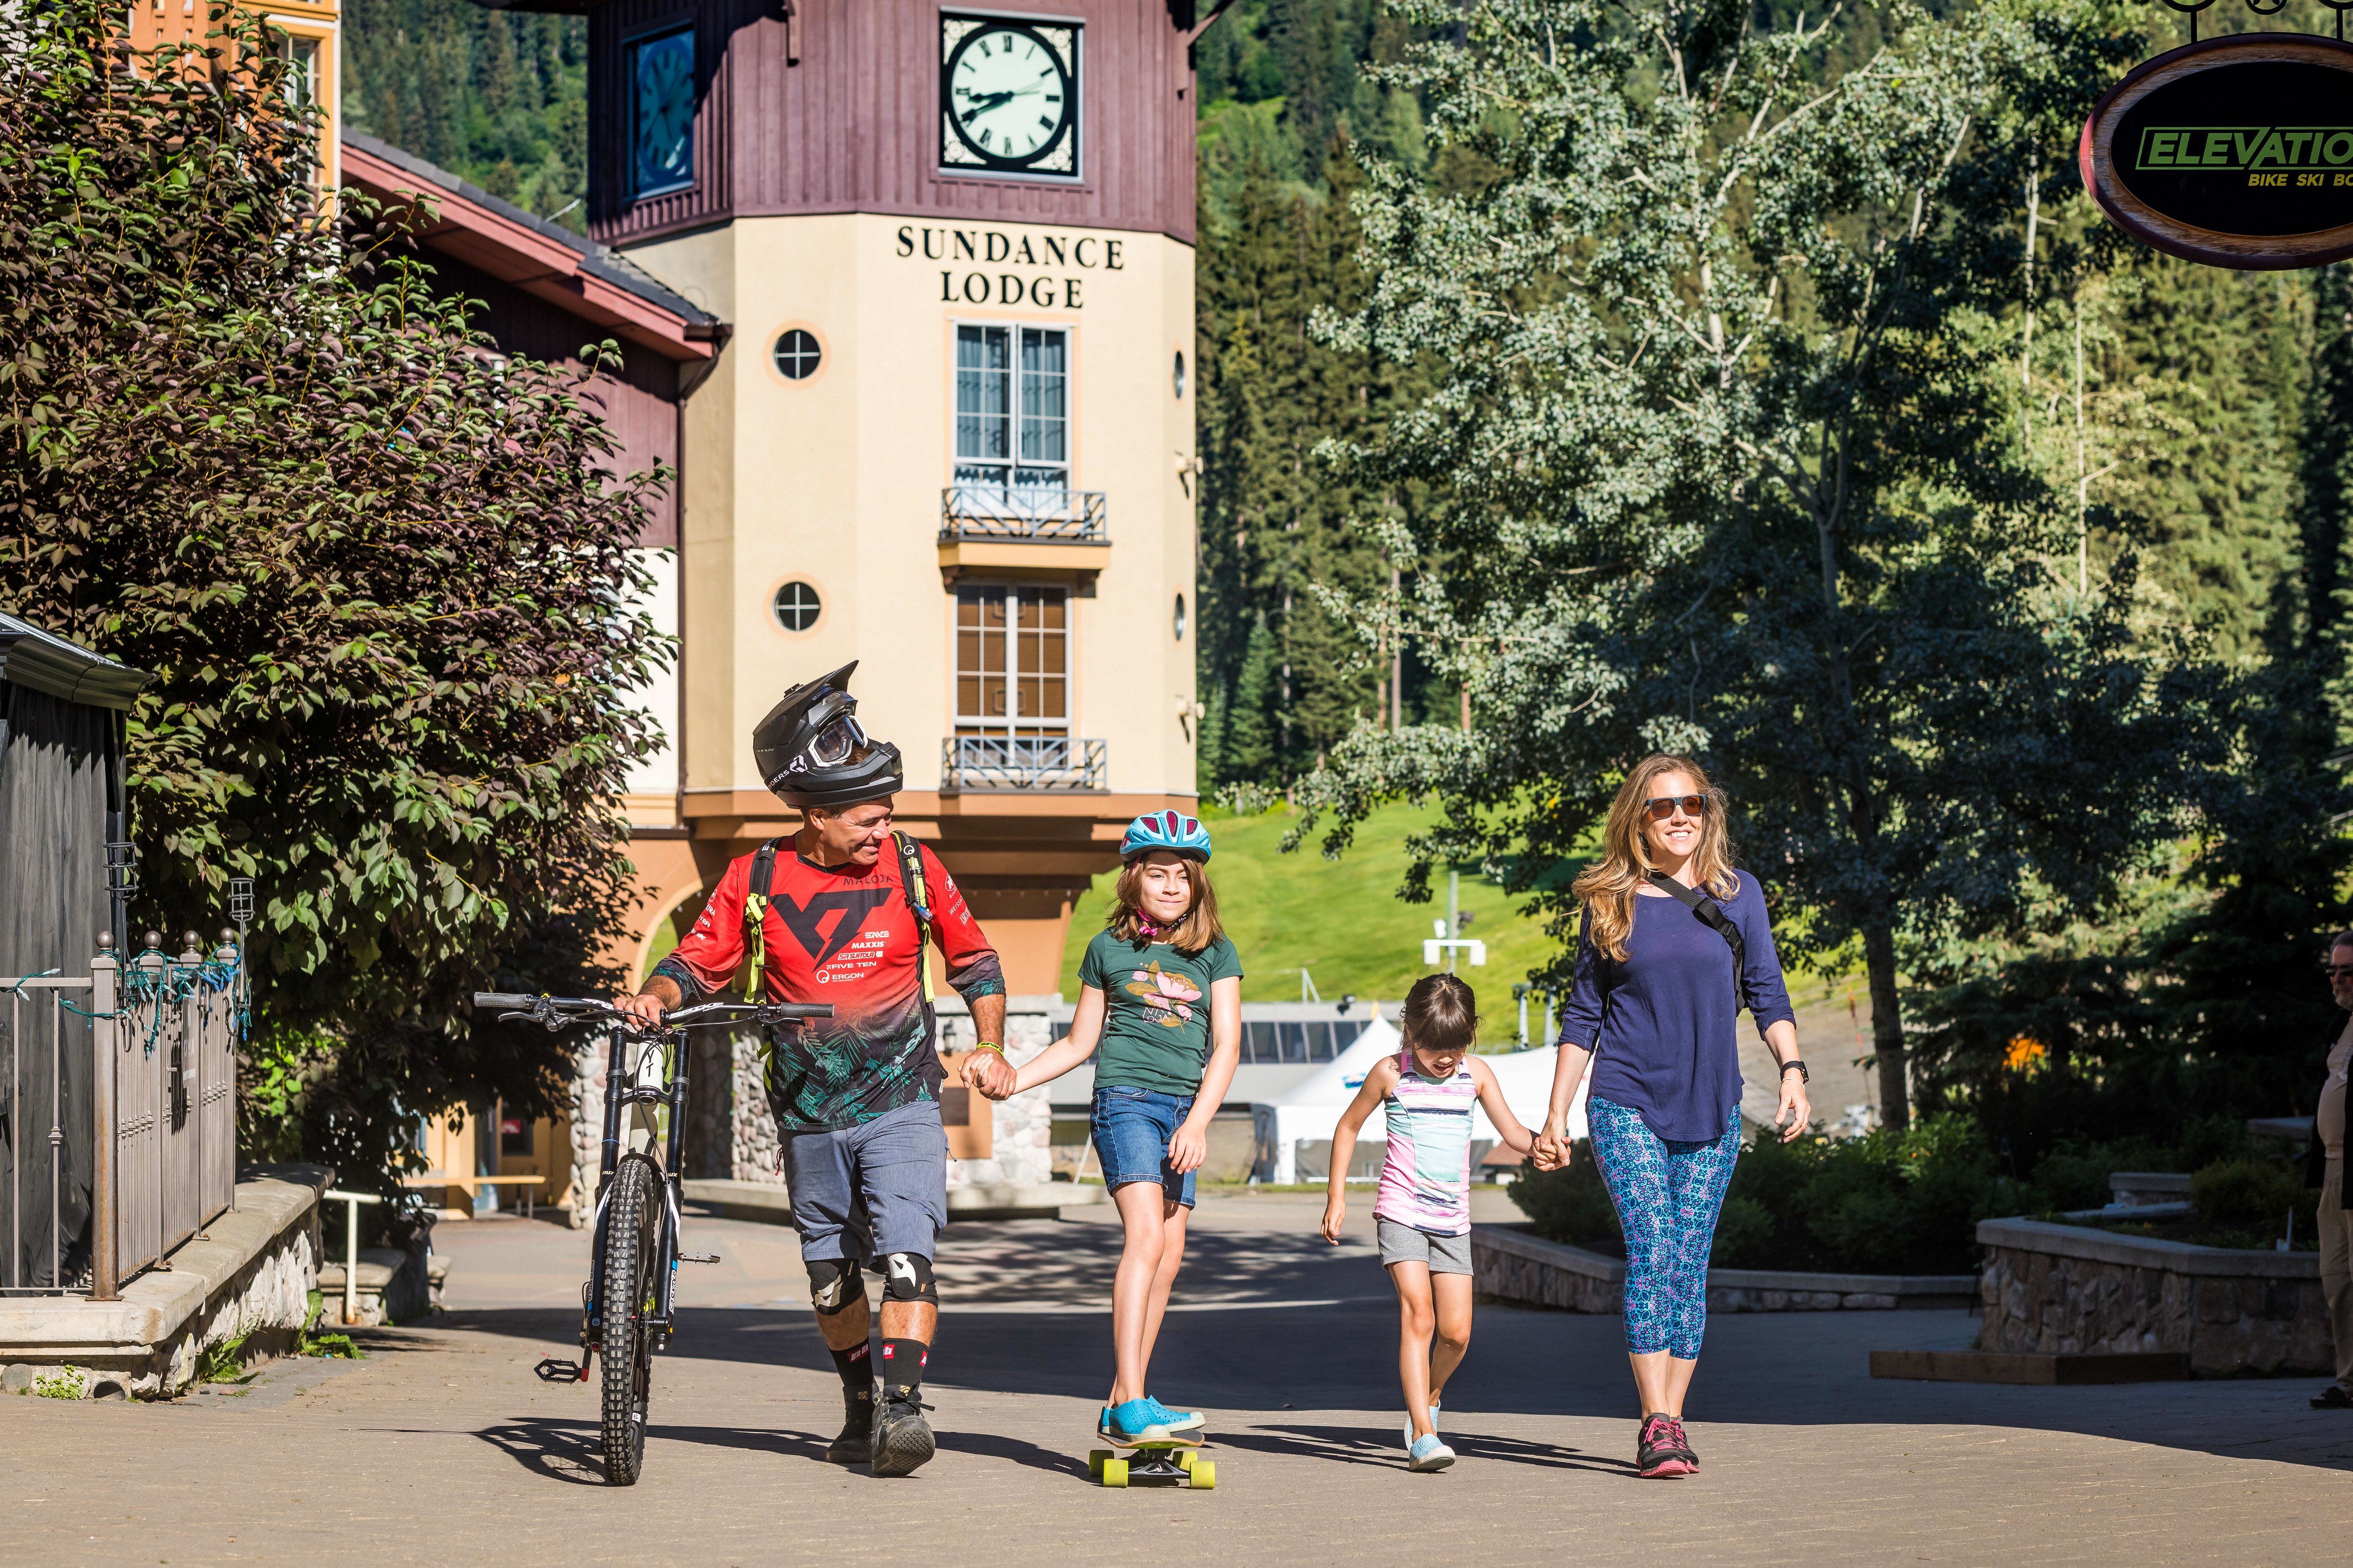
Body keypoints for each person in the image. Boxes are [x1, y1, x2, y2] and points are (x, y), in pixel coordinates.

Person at [616, 663, 1014, 1478]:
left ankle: (903, 1411)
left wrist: (990, 1044)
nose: (881, 832)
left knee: (907, 1254)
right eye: (866, 819)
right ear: (816, 815)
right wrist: (654, 995)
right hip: (806, 1113)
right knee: (829, 1273)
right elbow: (694, 964)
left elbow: (974, 959)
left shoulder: (912, 866)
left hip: (902, 1098)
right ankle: (861, 1402)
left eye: (888, 816)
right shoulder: (758, 876)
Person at [1532, 754, 1808, 1480]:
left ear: (1707, 812)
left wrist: (1792, 1071)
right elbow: (1581, 1015)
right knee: (1652, 1247)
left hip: (1713, 1106)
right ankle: (1654, 1419)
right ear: (1639, 817)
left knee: (1689, 1264)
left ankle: (1671, 1420)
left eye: (1692, 802)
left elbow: (1768, 993)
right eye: (1663, 805)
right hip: (1625, 1101)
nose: (1680, 815)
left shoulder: (1739, 895)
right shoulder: (1610, 901)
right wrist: (1556, 1112)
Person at [975, 809, 1241, 1444]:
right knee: (1146, 1238)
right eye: (1158, 874)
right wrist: (1015, 1077)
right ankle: (1133, 1403)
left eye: (1183, 875)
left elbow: (1227, 1045)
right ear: (1133, 880)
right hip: (1125, 1100)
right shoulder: (1108, 949)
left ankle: (1125, 1399)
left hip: (1184, 1110)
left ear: (1199, 884)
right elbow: (1076, 1043)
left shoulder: (1214, 952)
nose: (1172, 886)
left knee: (1169, 1256)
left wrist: (1199, 1122)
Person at [1320, 973, 1536, 1472]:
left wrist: (1544, 1143)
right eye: (1433, 1046)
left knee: (1456, 1333)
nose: (1445, 1057)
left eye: (1456, 1046)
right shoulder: (1389, 1073)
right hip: (1402, 1210)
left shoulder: (1476, 1075)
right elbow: (1348, 1125)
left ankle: (1430, 1394)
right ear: (1410, 1030)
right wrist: (1336, 1195)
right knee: (1419, 1314)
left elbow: (1512, 1130)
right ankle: (1423, 1433)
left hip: (1452, 1220)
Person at [2311, 932, 2353, 1409]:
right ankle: (2348, 1382)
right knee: (2337, 1280)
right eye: (2333, 969)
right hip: (2332, 1170)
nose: (2338, 978)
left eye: (2347, 970)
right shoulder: (2341, 1027)